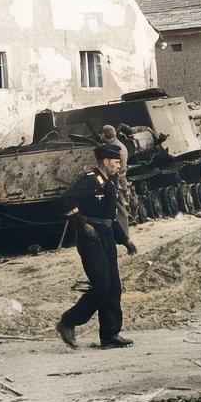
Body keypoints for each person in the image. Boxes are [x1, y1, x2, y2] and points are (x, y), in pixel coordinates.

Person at [56, 143, 138, 350]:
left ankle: (110, 335)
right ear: (105, 161)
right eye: (116, 162)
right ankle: (68, 321)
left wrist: (125, 240)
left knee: (114, 287)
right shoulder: (89, 180)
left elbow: (111, 217)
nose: (119, 166)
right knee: (102, 285)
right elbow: (65, 202)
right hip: (90, 238)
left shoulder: (110, 181)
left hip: (107, 236)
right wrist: (83, 225)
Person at [100, 124, 130, 235]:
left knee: (119, 208)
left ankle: (124, 234)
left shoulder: (114, 148)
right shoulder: (120, 145)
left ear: (104, 135)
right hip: (120, 178)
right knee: (119, 207)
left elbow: (112, 168)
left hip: (116, 180)